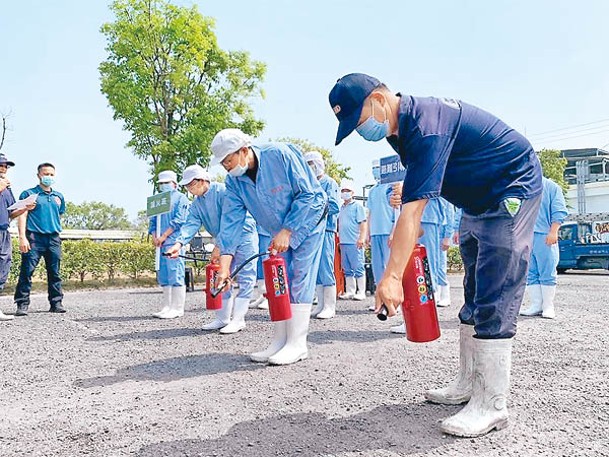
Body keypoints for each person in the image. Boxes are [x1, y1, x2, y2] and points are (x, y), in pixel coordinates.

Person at [329, 73, 542, 438]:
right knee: (473, 292)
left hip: (510, 188)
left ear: (380, 100)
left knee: (495, 289)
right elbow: (420, 197)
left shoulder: (426, 125)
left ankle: (491, 404)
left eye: (360, 121)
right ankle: (467, 383)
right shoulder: (402, 131)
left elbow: (412, 212)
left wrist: (393, 277)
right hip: (477, 200)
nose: (362, 131)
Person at [211, 128, 326, 365]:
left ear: (243, 150)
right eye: (223, 164)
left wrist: (288, 230)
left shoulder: (280, 154)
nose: (227, 168)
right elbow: (231, 223)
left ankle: (297, 343)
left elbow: (309, 195)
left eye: (229, 161)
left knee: (300, 277)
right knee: (278, 281)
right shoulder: (234, 182)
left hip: (308, 221)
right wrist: (224, 267)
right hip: (277, 231)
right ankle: (279, 341)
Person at [166, 165, 258, 334]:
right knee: (221, 278)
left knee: (246, 278)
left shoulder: (223, 191)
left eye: (191, 185)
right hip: (222, 242)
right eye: (187, 187)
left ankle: (238, 319)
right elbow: (190, 224)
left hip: (244, 236)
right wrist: (178, 244)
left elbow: (234, 220)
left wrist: (219, 245)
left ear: (202, 180)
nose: (190, 189)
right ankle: (223, 318)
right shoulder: (197, 204)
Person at [387, 195, 453, 334]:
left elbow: (446, 203)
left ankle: (426, 319)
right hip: (409, 219)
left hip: (429, 221)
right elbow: (393, 196)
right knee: (409, 269)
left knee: (426, 269)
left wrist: (448, 234)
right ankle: (412, 319)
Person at [14, 163, 68, 316]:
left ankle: (56, 302)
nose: (48, 177)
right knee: (27, 271)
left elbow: (59, 214)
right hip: (34, 237)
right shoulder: (29, 194)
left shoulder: (58, 197)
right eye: (45, 174)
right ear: (38, 175)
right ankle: (22, 303)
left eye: (51, 174)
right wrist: (22, 237)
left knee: (55, 272)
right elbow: (22, 215)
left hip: (53, 238)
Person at [520, 177, 567, 319]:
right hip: (525, 235)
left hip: (544, 235)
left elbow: (559, 211)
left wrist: (553, 231)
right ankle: (536, 305)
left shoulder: (551, 187)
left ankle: (548, 306)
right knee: (531, 271)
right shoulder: (522, 185)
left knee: (547, 270)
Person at [147, 170, 190, 319]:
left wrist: (164, 236)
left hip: (173, 242)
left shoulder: (181, 198)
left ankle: (177, 308)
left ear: (174, 184)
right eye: (161, 184)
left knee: (176, 273)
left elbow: (179, 220)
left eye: (166, 183)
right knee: (163, 275)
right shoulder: (157, 201)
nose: (164, 186)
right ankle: (167, 306)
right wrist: (155, 237)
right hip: (160, 243)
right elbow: (152, 222)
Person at [304, 151, 340, 319]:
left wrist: (314, 210)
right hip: (311, 232)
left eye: (312, 164)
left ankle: (330, 306)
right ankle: (320, 304)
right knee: (316, 268)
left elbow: (334, 206)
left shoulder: (329, 183)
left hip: (325, 230)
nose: (310, 167)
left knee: (325, 267)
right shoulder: (309, 184)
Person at [0, 154, 35, 321]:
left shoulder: (8, 188)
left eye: (6, 166)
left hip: (4, 232)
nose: (4, 168)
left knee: (2, 268)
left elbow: (10, 213)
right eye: (1, 165)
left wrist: (24, 208)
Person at [337, 179, 367, 301]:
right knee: (347, 268)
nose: (345, 192)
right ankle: (350, 291)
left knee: (358, 267)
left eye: (347, 190)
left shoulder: (357, 207)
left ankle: (361, 291)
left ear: (353, 192)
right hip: (344, 242)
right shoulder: (342, 208)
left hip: (355, 242)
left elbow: (363, 223)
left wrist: (362, 238)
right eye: (343, 190)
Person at [366, 160, 394, 290]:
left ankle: (392, 297)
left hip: (388, 231)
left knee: (390, 265)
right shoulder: (372, 191)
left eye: (378, 168)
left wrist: (394, 232)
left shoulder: (391, 187)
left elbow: (396, 211)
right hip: (375, 232)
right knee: (377, 266)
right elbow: (369, 213)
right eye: (374, 168)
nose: (375, 170)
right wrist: (367, 233)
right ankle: (380, 296)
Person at [249, 224, 271, 310]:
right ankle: (262, 295)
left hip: (267, 228)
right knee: (258, 262)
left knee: (266, 259)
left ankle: (269, 297)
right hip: (257, 227)